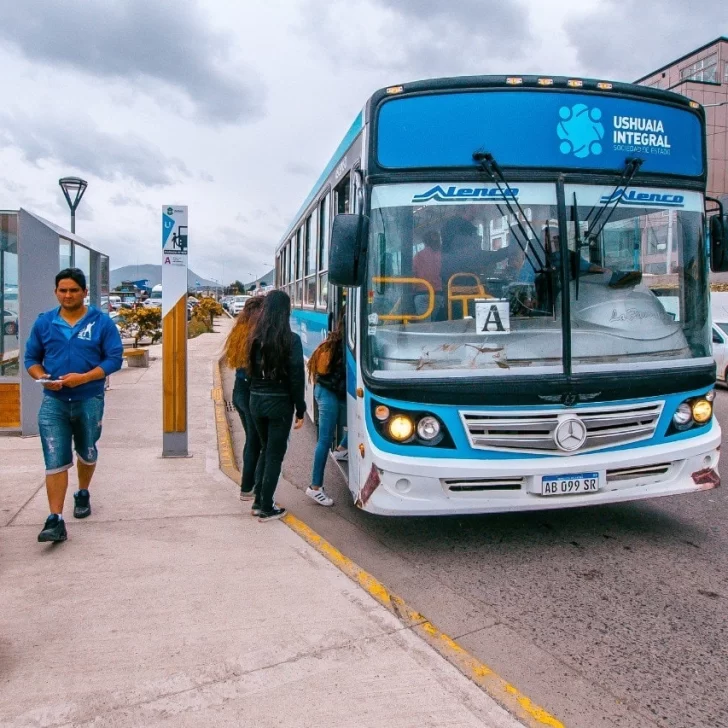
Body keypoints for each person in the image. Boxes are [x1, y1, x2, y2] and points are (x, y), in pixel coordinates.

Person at [25, 268, 123, 543]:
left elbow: (114, 359)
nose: (67, 295)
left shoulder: (101, 323)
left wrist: (84, 378)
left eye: (73, 290)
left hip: (89, 399)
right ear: (56, 292)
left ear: (84, 292)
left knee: (88, 452)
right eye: (62, 290)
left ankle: (82, 492)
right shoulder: (45, 322)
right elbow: (31, 358)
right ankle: (55, 519)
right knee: (55, 458)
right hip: (53, 402)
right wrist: (42, 378)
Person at [247, 290, 305, 522]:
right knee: (274, 455)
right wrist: (300, 409)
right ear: (285, 311)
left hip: (256, 401)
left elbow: (250, 372)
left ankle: (258, 500)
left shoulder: (254, 337)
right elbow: (296, 378)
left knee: (264, 449)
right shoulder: (291, 340)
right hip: (279, 404)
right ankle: (266, 507)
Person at [222, 296, 265, 501]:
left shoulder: (239, 331)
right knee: (255, 441)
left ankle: (249, 486)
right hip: (249, 392)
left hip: (238, 391)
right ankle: (249, 487)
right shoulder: (255, 335)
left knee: (252, 439)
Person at [306, 317, 348, 507]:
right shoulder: (344, 346)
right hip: (328, 394)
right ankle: (315, 487)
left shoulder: (335, 341)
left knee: (361, 421)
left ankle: (341, 450)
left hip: (327, 391)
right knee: (324, 440)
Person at [412, 230, 443, 318]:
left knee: (425, 325)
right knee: (433, 322)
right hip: (437, 295)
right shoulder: (441, 255)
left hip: (422, 294)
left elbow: (413, 274)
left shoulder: (418, 256)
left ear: (424, 242)